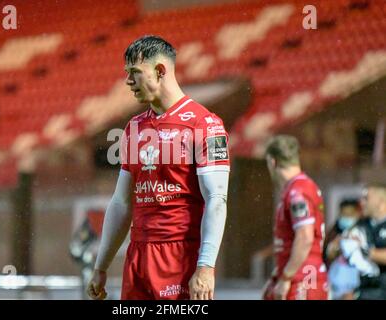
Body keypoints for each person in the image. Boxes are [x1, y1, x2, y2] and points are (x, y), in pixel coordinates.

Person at [87, 35, 230, 300]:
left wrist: (206, 268)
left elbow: (216, 199)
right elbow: (121, 202)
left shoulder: (205, 124)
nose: (128, 81)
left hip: (180, 260)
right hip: (138, 258)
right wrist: (101, 266)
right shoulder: (134, 127)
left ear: (160, 71)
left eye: (135, 73)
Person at [262, 135, 328, 300]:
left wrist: (286, 278)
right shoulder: (300, 187)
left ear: (272, 161)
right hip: (304, 277)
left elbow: (305, 236)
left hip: (303, 282)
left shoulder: (297, 192)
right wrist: (278, 275)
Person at [341, 183, 386, 300]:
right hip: (364, 290)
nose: (362, 202)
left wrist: (365, 251)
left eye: (366, 198)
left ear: (381, 202)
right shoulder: (361, 224)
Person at [324, 199, 362, 300]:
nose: (346, 218)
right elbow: (328, 256)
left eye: (349, 214)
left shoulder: (363, 233)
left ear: (358, 214)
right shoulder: (333, 233)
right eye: (343, 214)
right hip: (335, 285)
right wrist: (337, 246)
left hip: (355, 287)